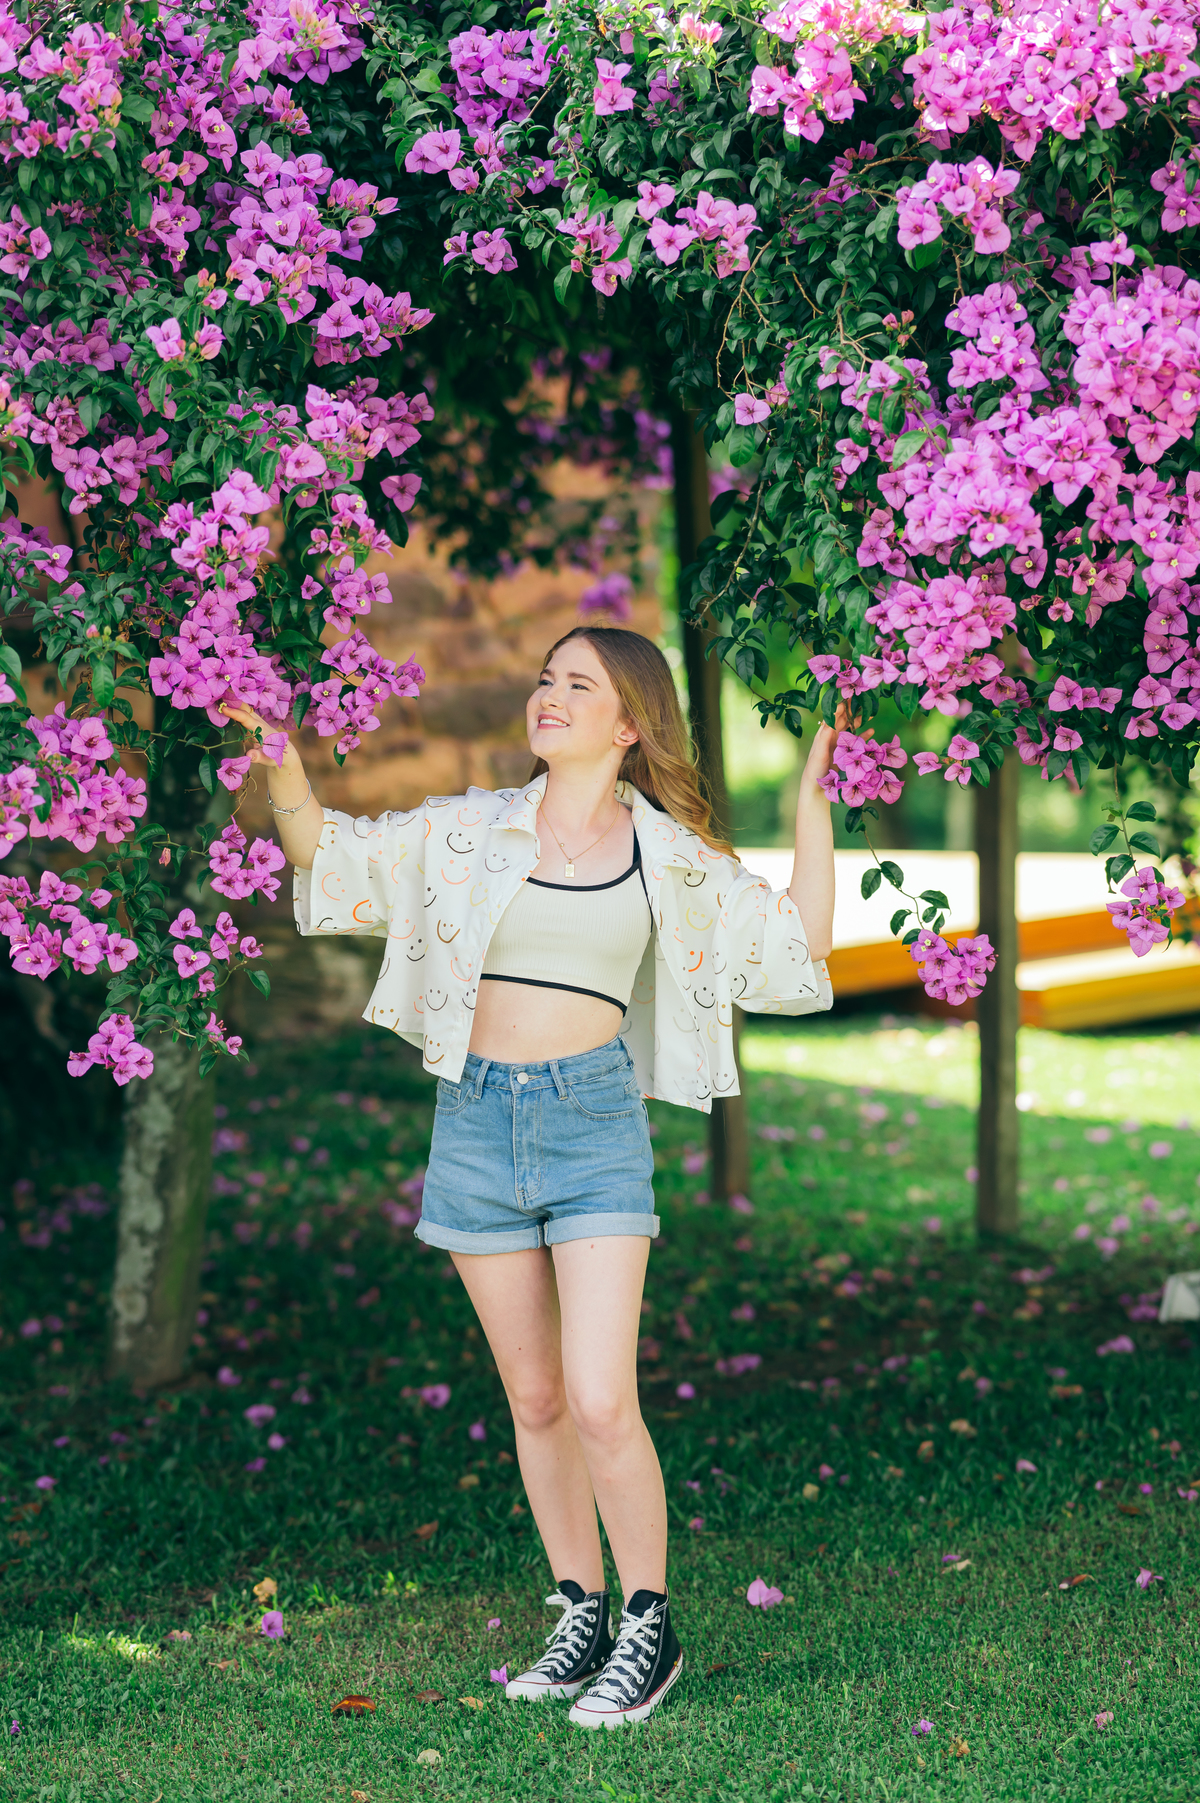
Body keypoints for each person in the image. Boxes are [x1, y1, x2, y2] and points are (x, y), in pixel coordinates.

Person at [222, 625, 841, 1728]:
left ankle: (649, 1624)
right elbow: (330, 855)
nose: (549, 694)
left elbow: (799, 946)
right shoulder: (468, 829)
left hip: (593, 1122)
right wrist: (281, 761)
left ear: (630, 723)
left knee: (602, 1397)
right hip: (472, 1124)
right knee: (538, 1398)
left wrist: (813, 798)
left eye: (578, 684)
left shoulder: (669, 856)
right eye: (546, 678)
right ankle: (580, 1610)